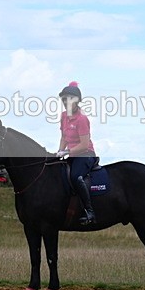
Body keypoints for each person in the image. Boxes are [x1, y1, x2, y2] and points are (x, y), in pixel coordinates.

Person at [57, 81, 98, 225]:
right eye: (63, 99)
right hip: (72, 154)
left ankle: (89, 211)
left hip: (86, 154)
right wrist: (59, 151)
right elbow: (63, 137)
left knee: (76, 176)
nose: (65, 102)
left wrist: (67, 151)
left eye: (69, 99)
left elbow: (84, 144)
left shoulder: (82, 119)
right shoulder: (63, 116)